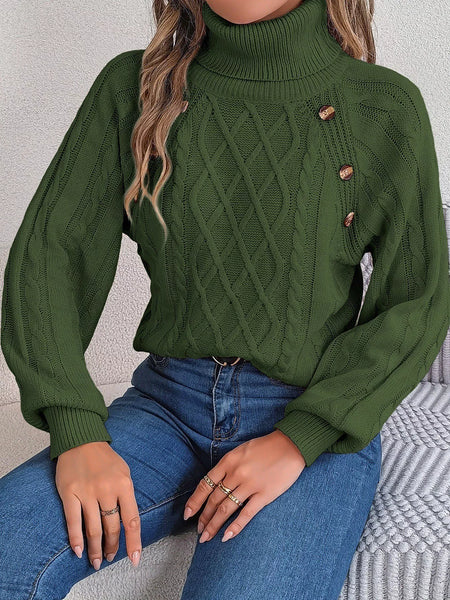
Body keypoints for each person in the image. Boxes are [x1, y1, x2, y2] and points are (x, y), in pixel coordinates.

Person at [1, 0, 449, 598]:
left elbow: (415, 300)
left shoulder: (382, 107)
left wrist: (302, 437)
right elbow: (51, 258)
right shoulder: (135, 90)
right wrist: (74, 426)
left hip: (309, 418)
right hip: (164, 406)